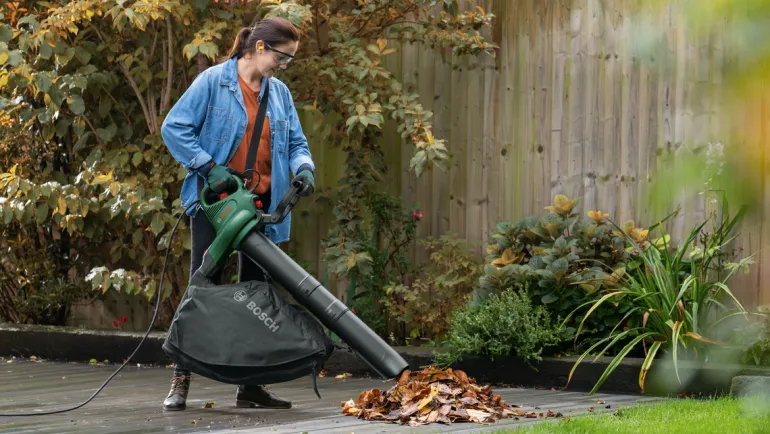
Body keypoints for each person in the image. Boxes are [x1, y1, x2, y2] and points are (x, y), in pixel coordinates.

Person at [160, 16, 315, 411]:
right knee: (202, 286)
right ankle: (181, 378)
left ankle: (251, 386)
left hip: (261, 208)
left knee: (257, 295)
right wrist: (208, 166)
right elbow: (174, 127)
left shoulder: (279, 94)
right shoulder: (213, 82)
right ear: (260, 47)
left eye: (290, 59)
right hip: (217, 205)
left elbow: (297, 142)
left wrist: (304, 169)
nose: (285, 65)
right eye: (282, 56)